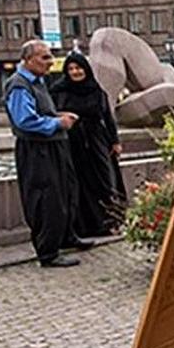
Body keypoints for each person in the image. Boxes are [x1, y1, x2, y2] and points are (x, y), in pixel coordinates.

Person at [4, 40, 90, 268]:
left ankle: (66, 237)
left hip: (53, 146)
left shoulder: (38, 82)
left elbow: (39, 113)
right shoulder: (19, 85)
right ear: (28, 59)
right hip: (37, 150)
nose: (50, 62)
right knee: (47, 198)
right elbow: (25, 121)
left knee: (66, 191)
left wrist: (58, 116)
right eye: (44, 57)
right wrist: (57, 122)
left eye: (50, 57)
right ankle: (48, 252)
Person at [51, 51, 125, 239]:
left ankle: (108, 223)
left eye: (78, 68)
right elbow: (50, 113)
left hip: (96, 140)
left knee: (104, 181)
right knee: (78, 183)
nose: (75, 72)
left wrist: (114, 141)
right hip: (72, 142)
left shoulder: (96, 90)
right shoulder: (58, 90)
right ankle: (82, 227)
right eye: (71, 69)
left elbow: (107, 117)